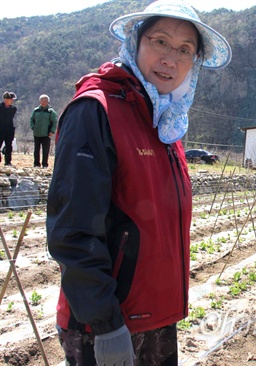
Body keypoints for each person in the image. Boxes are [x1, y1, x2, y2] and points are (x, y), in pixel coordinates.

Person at [46, 0, 231, 365]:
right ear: (135, 42)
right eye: (159, 41)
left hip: (156, 317)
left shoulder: (167, 124)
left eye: (184, 50)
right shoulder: (96, 110)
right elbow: (73, 231)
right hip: (108, 325)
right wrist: (105, 324)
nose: (170, 59)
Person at [30, 94, 58, 168]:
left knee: (45, 150)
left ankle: (45, 164)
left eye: (45, 100)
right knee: (36, 150)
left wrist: (52, 131)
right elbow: (32, 120)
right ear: (40, 101)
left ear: (48, 102)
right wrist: (33, 127)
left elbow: (54, 122)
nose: (43, 102)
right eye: (42, 100)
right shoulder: (36, 110)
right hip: (37, 133)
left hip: (46, 134)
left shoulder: (51, 112)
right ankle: (36, 164)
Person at [0, 91, 17, 166]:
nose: (12, 101)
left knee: (9, 146)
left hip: (9, 130)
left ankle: (8, 162)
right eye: (11, 99)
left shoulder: (13, 109)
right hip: (0, 129)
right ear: (6, 99)